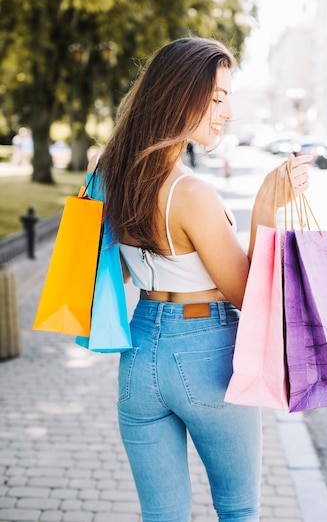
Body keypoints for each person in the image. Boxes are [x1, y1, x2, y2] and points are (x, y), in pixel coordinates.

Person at [88, 37, 312, 522]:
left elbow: (117, 270)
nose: (227, 112)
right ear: (178, 95)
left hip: (139, 347)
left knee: (162, 517)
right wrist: (266, 209)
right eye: (216, 98)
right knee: (238, 510)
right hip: (207, 353)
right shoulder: (191, 193)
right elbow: (248, 296)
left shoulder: (108, 174)